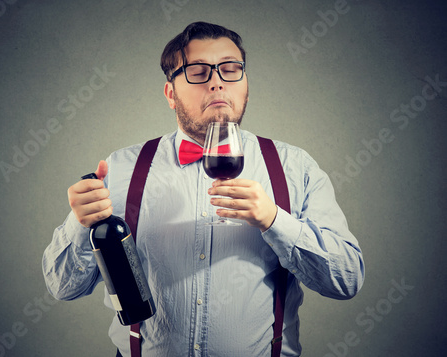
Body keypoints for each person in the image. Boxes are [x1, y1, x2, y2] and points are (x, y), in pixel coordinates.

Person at [42, 21, 364, 357]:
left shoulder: (296, 167)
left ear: (245, 85)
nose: (217, 83)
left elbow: (346, 281)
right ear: (171, 94)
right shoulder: (120, 168)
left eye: (230, 70)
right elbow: (63, 287)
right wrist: (82, 225)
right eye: (198, 72)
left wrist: (274, 221)